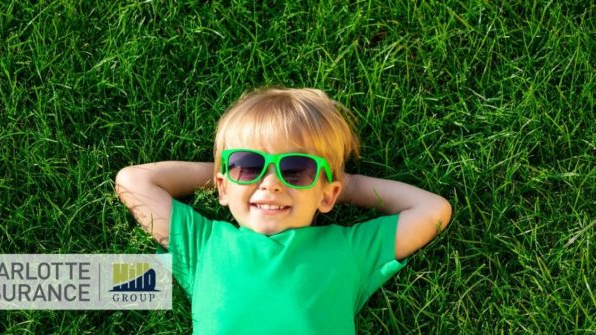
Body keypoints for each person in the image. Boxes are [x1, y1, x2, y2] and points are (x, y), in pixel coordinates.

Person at [115, 87, 452, 334]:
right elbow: (133, 182)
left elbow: (431, 209)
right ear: (222, 186)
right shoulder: (203, 245)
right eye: (250, 165)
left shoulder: (348, 250)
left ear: (327, 195)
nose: (271, 183)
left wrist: (343, 184)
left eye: (295, 170)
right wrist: (226, 176)